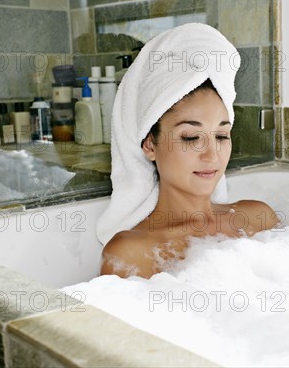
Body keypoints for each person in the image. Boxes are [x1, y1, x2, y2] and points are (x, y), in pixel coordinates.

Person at [98, 24, 278, 279]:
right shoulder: (133, 252)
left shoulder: (258, 218)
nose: (212, 156)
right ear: (150, 145)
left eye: (221, 136)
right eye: (192, 137)